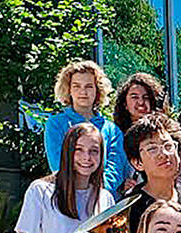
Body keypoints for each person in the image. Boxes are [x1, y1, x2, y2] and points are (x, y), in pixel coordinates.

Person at [45, 60, 126, 195]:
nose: (83, 92)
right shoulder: (55, 124)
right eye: (76, 86)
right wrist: (82, 192)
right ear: (68, 90)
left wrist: (96, 193)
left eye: (89, 86)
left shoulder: (112, 130)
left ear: (98, 90)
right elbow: (59, 165)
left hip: (105, 201)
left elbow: (115, 170)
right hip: (68, 200)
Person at [111, 72, 169, 194]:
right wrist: (121, 186)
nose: (141, 102)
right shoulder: (115, 135)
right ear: (125, 104)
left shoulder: (166, 133)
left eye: (146, 97)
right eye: (134, 97)